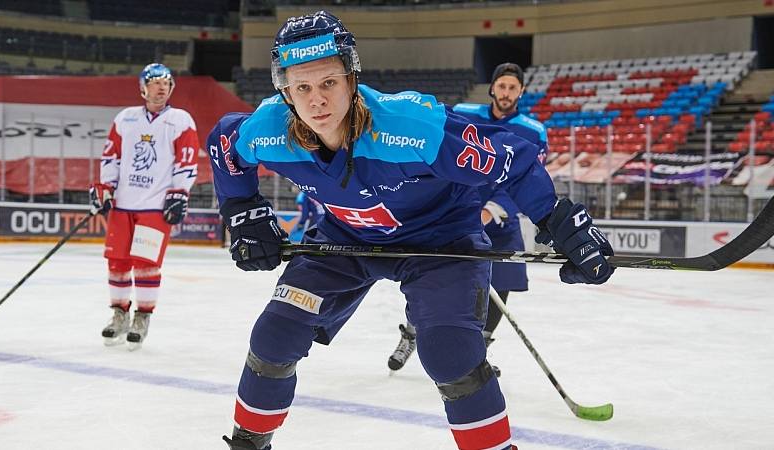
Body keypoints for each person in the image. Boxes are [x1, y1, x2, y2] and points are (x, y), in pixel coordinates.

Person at [208, 11, 614, 450]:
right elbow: (223, 142)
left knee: (449, 351)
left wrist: (559, 220)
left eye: (328, 83)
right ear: (285, 90)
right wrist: (243, 211)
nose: (317, 101)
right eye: (301, 87)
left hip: (441, 241)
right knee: (274, 335)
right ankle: (249, 444)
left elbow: (511, 159)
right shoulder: (268, 129)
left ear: (351, 77)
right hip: (346, 239)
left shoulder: (410, 127)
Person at [387, 63, 550, 376]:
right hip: (455, 213)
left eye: (512, 88)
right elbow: (441, 151)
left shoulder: (533, 130)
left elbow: (529, 177)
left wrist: (492, 209)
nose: (506, 93)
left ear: (521, 92)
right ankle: (411, 334)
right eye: (501, 86)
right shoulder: (463, 112)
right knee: (432, 276)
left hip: (501, 221)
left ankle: (478, 352)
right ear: (492, 88)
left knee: (502, 282)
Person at [89, 63, 199, 351]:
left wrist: (179, 192)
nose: (162, 87)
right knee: (117, 263)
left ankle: (142, 317)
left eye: (166, 83)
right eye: (155, 82)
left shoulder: (180, 120)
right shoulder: (125, 118)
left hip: (156, 206)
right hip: (123, 204)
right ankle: (119, 314)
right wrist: (105, 186)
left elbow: (187, 160)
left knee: (146, 264)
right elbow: (111, 157)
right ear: (142, 88)